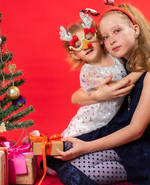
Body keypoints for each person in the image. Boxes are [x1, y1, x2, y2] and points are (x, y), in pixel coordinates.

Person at [47, 3, 150, 185]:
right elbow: (75, 97)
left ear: (135, 30)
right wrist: (99, 95)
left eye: (117, 31)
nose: (111, 40)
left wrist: (86, 147)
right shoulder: (120, 62)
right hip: (115, 138)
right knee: (61, 156)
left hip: (139, 149)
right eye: (106, 36)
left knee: (74, 173)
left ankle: (133, 169)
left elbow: (136, 130)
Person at [59, 9, 142, 138]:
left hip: (110, 123)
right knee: (71, 150)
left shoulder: (115, 56)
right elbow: (118, 88)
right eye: (78, 45)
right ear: (74, 54)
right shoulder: (88, 71)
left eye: (89, 38)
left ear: (100, 39)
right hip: (90, 125)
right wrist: (142, 69)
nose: (86, 46)